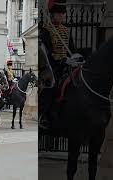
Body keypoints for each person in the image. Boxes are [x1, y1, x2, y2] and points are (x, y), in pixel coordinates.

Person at [39, 0, 76, 128]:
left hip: (67, 65)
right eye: (58, 14)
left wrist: (76, 58)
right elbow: (46, 53)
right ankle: (43, 115)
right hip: (52, 66)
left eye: (62, 14)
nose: (61, 16)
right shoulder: (46, 31)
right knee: (52, 87)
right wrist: (61, 61)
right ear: (52, 15)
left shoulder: (66, 31)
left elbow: (72, 48)